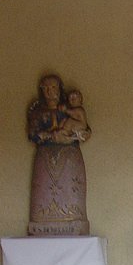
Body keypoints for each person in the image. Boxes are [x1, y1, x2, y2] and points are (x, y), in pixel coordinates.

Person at [26, 74, 90, 235]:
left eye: (53, 87)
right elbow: (33, 134)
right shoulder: (38, 113)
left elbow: (85, 131)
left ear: (59, 89)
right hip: (45, 155)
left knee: (71, 187)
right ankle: (42, 221)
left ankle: (73, 218)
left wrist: (71, 137)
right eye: (46, 88)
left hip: (69, 155)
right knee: (43, 186)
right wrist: (49, 136)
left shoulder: (69, 110)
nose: (50, 91)